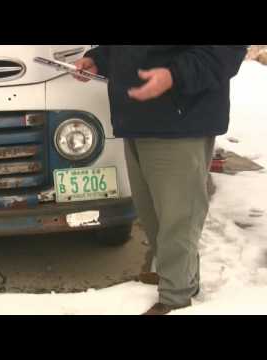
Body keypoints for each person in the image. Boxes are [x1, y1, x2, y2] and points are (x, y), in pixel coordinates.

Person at [74, 45, 247, 315]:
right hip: (136, 119)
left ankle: (176, 298)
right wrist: (98, 59)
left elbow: (225, 52)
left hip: (181, 119)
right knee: (152, 213)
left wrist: (174, 75)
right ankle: (179, 277)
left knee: (178, 216)